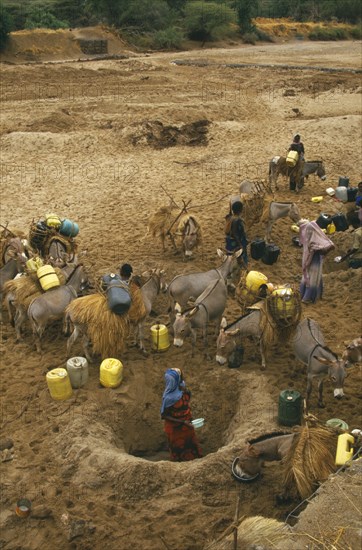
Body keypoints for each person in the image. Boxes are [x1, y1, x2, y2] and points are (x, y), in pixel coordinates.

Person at [160, 368, 202, 462]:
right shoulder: (168, 398)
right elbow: (164, 415)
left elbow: (187, 399)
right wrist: (182, 421)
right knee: (178, 447)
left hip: (187, 424)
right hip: (175, 428)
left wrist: (186, 420)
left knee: (190, 443)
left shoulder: (183, 389)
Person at [299, 220, 335, 304]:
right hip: (315, 260)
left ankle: (305, 296)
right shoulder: (315, 238)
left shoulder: (310, 237)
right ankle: (307, 297)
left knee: (309, 277)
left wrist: (307, 262)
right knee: (313, 278)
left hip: (310, 260)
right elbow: (329, 246)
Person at [335, 201, 362, 269]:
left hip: (358, 259)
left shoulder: (358, 233)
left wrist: (344, 257)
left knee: (351, 262)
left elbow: (355, 248)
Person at [225, 200, 248, 267]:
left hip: (229, 241)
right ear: (240, 210)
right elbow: (235, 233)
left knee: (229, 257)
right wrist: (240, 244)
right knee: (241, 257)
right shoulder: (238, 221)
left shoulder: (230, 218)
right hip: (236, 242)